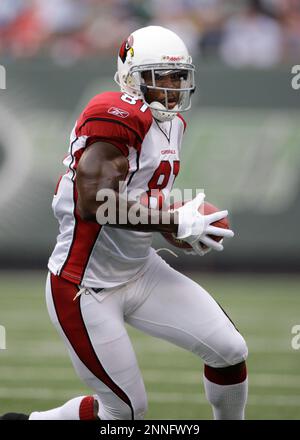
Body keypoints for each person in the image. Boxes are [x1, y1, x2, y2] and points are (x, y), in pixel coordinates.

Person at [1, 25, 248, 421]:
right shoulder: (115, 113)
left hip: (139, 269)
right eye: (160, 76)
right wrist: (171, 219)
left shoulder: (173, 123)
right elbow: (91, 203)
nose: (171, 86)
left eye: (178, 76)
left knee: (230, 349)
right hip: (86, 286)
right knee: (125, 412)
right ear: (132, 76)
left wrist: (174, 224)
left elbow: (138, 193)